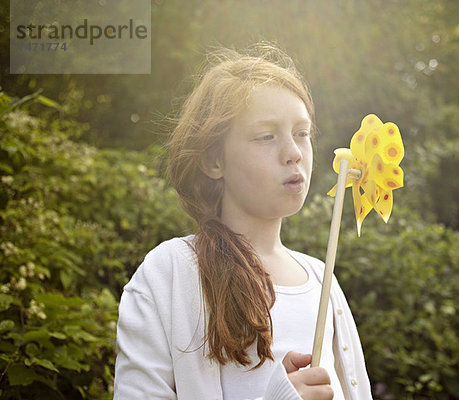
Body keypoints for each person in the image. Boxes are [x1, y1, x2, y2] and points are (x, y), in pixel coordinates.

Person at [113, 45, 372, 400]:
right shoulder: (170, 272)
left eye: (302, 133)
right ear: (213, 161)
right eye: (267, 136)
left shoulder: (322, 278)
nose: (294, 152)